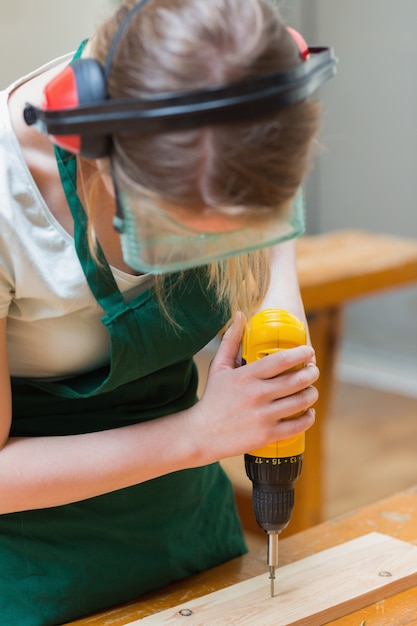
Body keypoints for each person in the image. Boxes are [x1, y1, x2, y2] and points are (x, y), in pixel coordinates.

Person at [0, 0, 336, 623]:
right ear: (93, 151)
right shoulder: (4, 195)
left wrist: (275, 321)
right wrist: (201, 434)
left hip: (187, 523)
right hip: (30, 564)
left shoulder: (245, 112)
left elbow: (269, 239)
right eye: (177, 233)